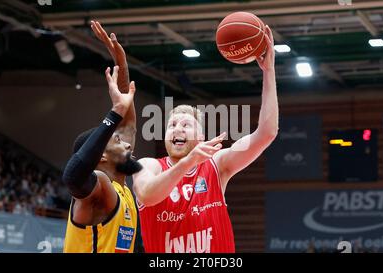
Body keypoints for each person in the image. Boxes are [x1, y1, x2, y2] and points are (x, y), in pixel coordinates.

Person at [132, 25, 279, 253]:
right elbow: (146, 195)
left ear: (201, 137)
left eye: (186, 125)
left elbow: (266, 133)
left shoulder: (216, 165)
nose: (177, 129)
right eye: (172, 125)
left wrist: (269, 71)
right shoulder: (149, 165)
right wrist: (188, 163)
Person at [62, 62, 141, 253]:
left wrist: (121, 63)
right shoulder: (99, 188)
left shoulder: (122, 191)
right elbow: (72, 177)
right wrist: (115, 113)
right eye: (118, 141)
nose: (128, 144)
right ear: (102, 156)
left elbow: (129, 125)